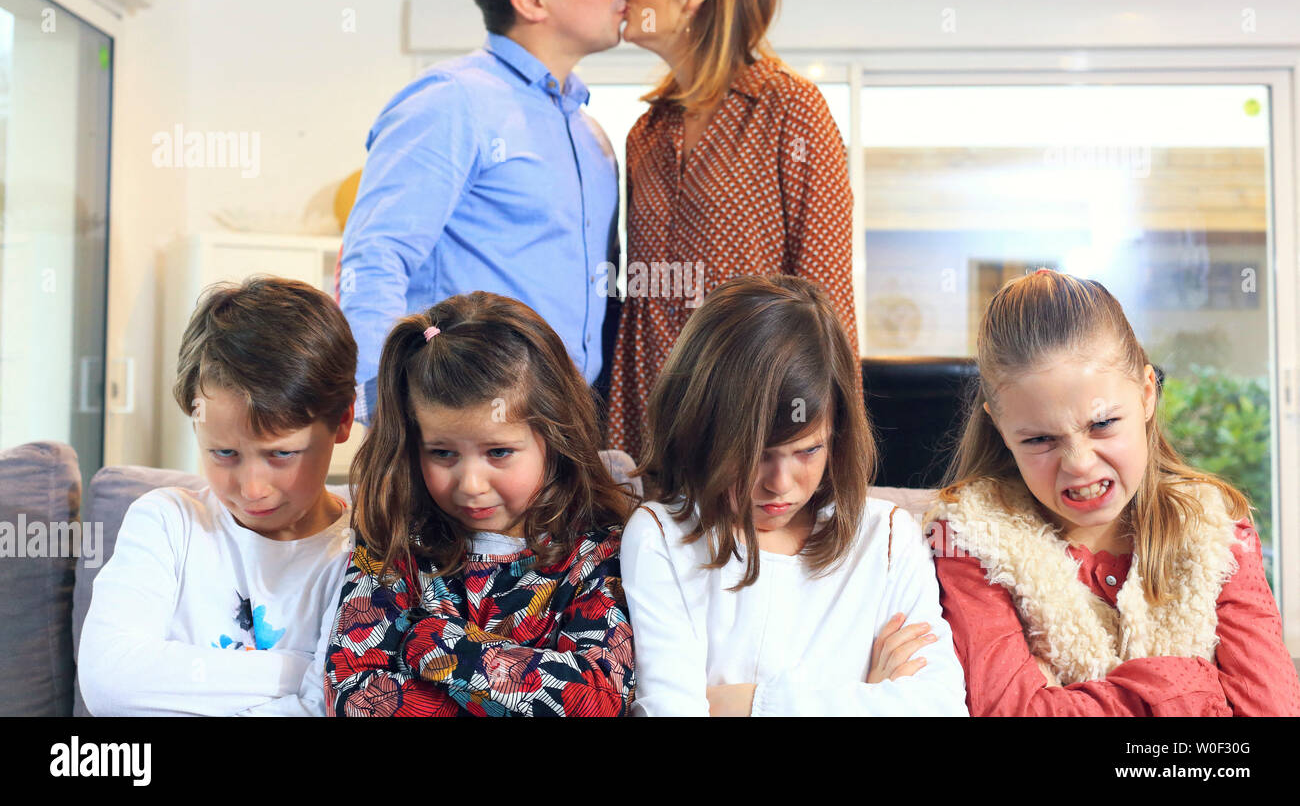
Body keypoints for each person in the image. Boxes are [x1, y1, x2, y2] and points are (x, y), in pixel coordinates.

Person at [926, 269, 1300, 716]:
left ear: (1146, 394)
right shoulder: (970, 538)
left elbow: (1273, 710)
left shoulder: (1215, 527)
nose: (1079, 463)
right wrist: (1193, 688)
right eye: (1039, 440)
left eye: (1102, 424)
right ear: (1001, 430)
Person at [339, 0, 627, 428]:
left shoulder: (590, 135)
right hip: (462, 419)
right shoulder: (452, 101)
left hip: (564, 428)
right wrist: (388, 412)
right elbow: (375, 257)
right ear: (533, 1)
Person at [620, 275, 967, 716]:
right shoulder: (661, 536)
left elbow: (939, 709)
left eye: (808, 450)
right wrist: (868, 700)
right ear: (700, 430)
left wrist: (746, 705)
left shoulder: (889, 537)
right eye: (754, 455)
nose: (780, 484)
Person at [607, 0, 857, 459]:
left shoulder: (791, 108)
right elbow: (640, 302)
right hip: (651, 427)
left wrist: (825, 449)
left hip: (759, 428)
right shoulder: (645, 134)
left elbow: (827, 293)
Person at [324, 291, 637, 716]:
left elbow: (599, 699)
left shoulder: (599, 552)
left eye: (498, 452)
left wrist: (433, 641)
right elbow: (356, 698)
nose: (471, 485)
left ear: (555, 436)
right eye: (442, 453)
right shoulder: (393, 541)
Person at [78, 277, 357, 716]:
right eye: (223, 453)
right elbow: (110, 685)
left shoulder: (367, 547)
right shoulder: (166, 523)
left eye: (281, 453)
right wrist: (301, 671)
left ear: (342, 421)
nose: (251, 488)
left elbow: (330, 706)